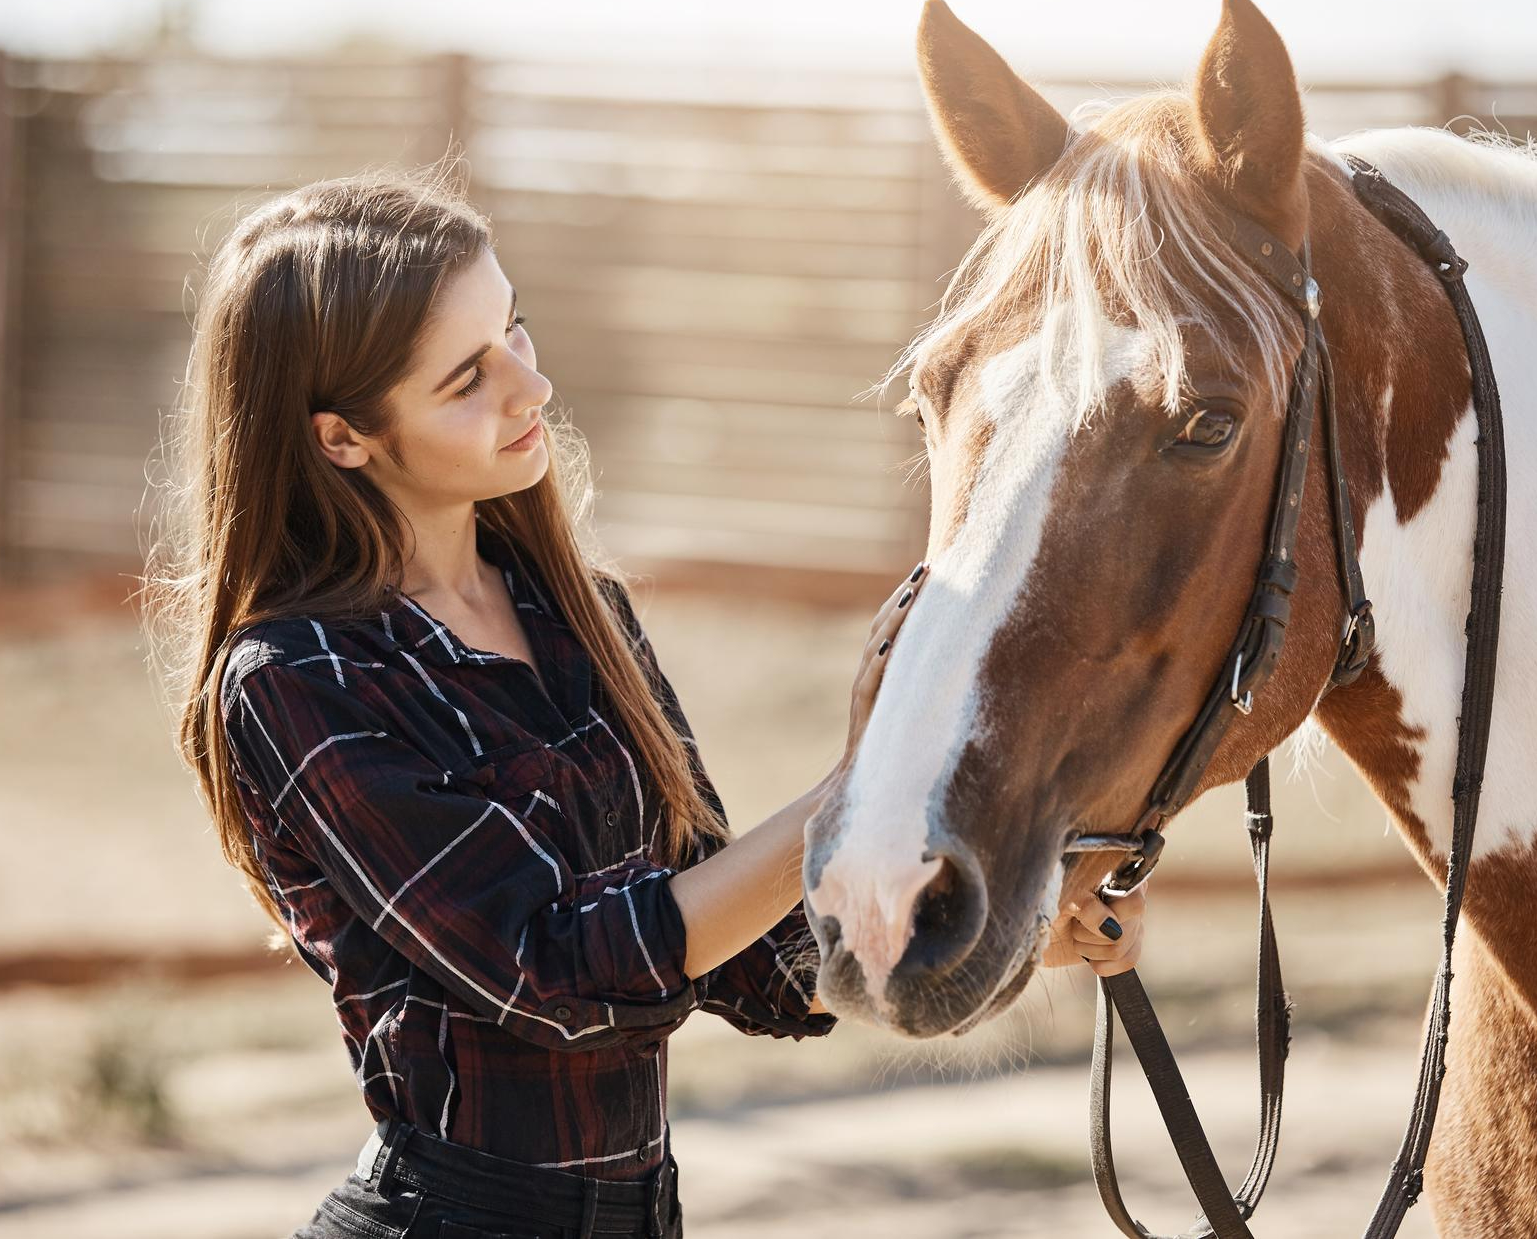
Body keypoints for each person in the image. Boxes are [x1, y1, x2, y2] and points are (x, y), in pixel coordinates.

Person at [142, 162, 1144, 1239]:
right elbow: (558, 973)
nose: (530, 387)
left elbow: (747, 956)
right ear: (343, 437)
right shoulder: (297, 681)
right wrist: (854, 782)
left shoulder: (578, 614)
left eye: (514, 330)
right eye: (465, 380)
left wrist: (1000, 926)